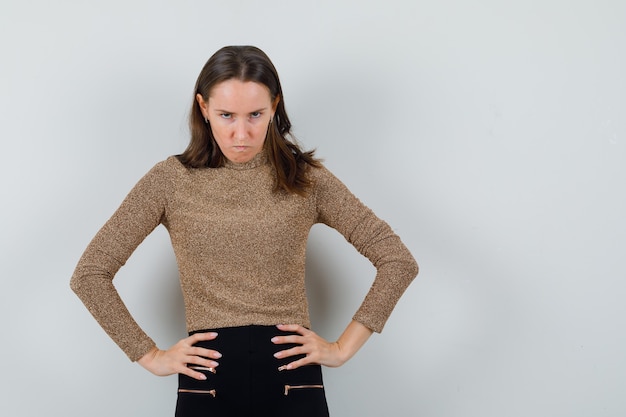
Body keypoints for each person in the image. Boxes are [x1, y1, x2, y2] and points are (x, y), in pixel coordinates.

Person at [70, 45, 418, 417]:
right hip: (208, 384)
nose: (241, 133)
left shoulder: (305, 179)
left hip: (293, 382)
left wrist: (342, 348)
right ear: (203, 108)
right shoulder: (170, 181)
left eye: (255, 114)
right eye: (226, 115)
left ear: (275, 106)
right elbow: (89, 275)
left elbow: (397, 261)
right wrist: (149, 354)